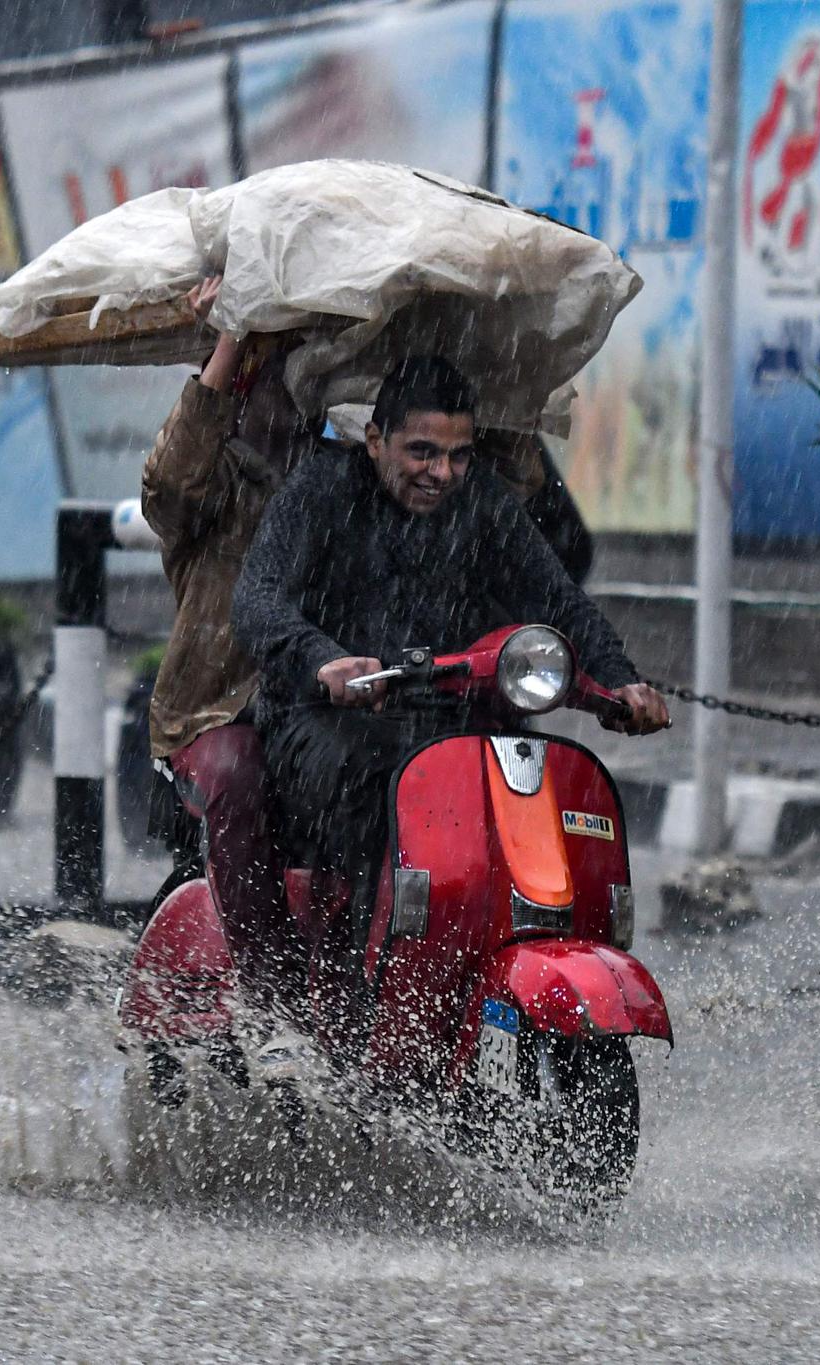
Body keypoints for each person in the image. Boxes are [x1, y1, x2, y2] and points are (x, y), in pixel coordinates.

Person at [232, 355, 668, 882]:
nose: (440, 474)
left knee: (540, 792)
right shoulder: (321, 491)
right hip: (321, 723)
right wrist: (324, 663)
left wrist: (621, 680)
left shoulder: (482, 502)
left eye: (457, 456)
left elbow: (560, 600)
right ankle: (364, 960)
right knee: (384, 791)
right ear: (374, 440)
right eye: (421, 452)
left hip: (455, 724)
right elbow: (256, 599)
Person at [140, 277, 325, 1030]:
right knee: (241, 774)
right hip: (215, 710)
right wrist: (231, 339)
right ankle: (271, 1002)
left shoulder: (351, 474)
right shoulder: (215, 486)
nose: (292, 389)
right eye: (277, 366)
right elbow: (166, 489)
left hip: (327, 707)